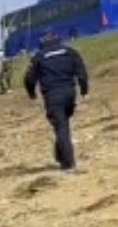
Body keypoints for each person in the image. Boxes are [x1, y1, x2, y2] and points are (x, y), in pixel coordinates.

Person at [24, 32, 89, 171]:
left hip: (53, 95)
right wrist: (84, 90)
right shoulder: (70, 52)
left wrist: (32, 94)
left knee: (61, 127)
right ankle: (61, 154)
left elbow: (29, 78)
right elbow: (82, 72)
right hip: (70, 93)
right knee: (63, 123)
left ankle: (68, 163)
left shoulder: (39, 57)